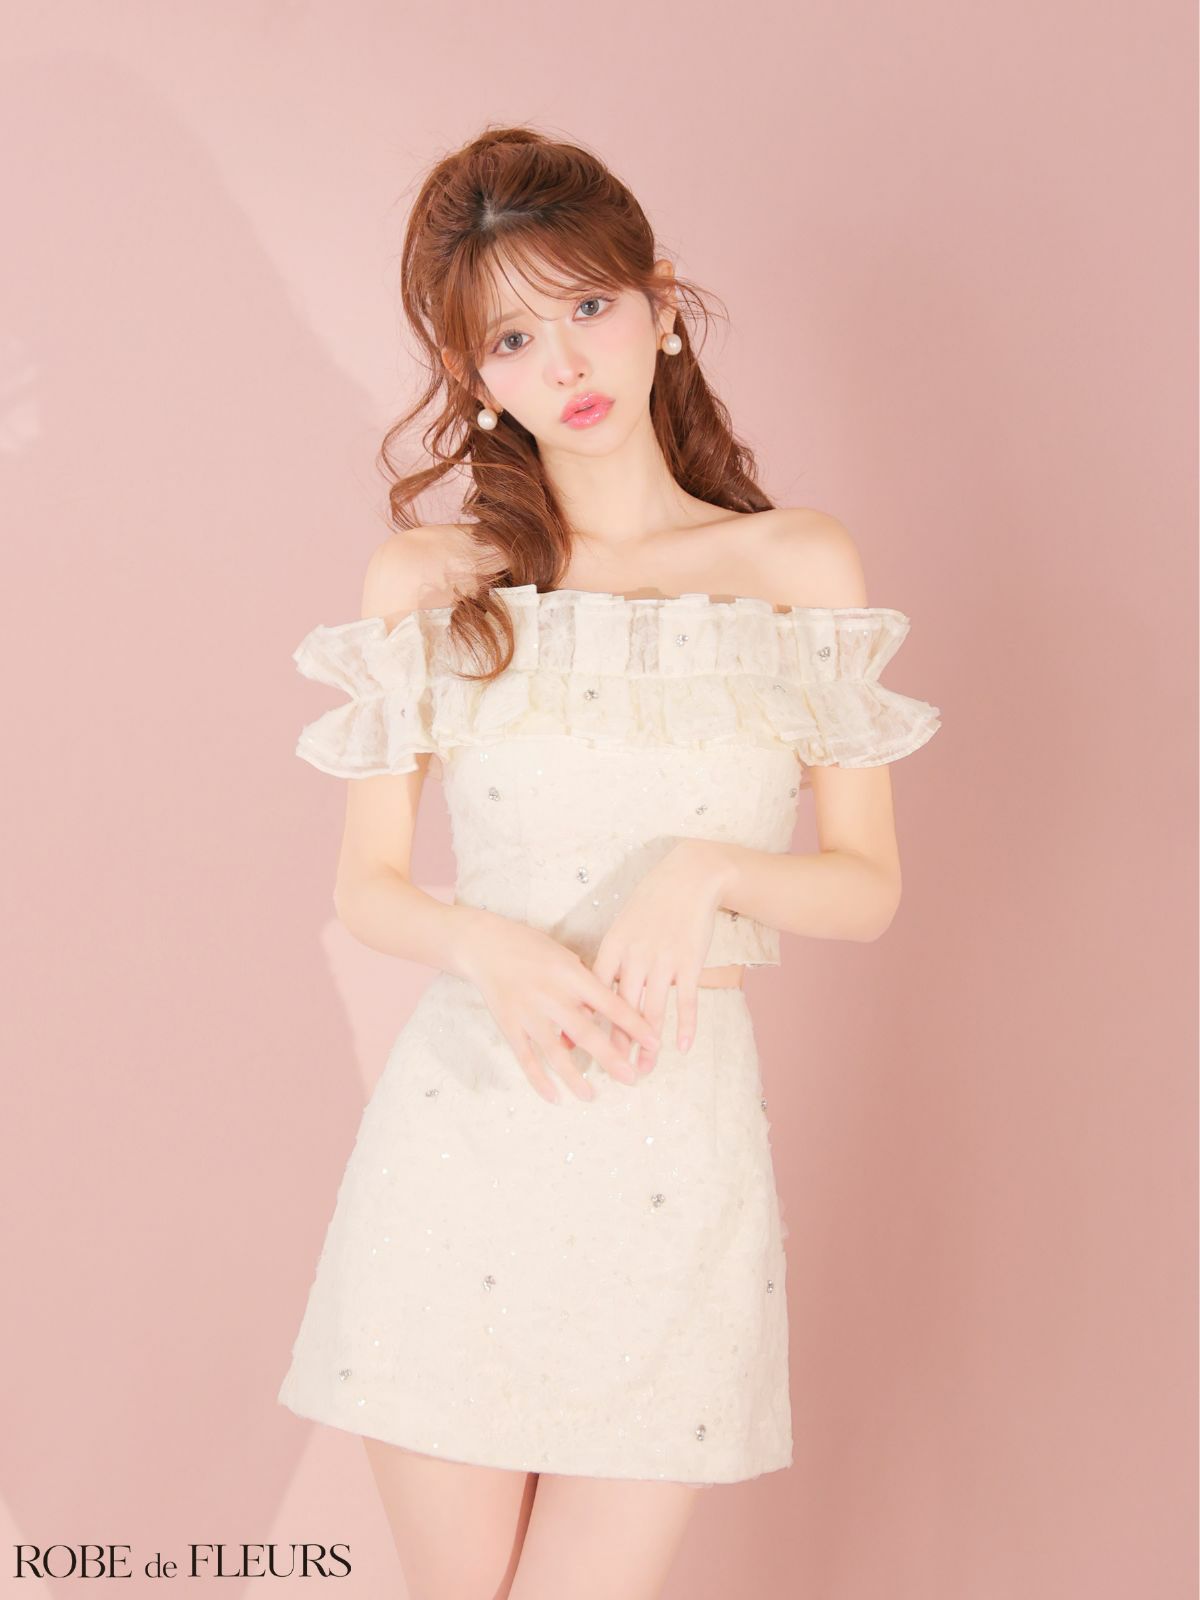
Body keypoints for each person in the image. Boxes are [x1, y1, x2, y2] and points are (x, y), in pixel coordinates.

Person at [276, 124, 942, 1600]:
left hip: (672, 1161)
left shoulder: (793, 568)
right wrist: (487, 942)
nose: (567, 360)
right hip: (460, 1136)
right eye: (514, 337)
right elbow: (367, 888)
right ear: (474, 378)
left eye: (588, 305)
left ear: (659, 300)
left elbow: (867, 887)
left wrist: (704, 869)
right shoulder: (433, 582)